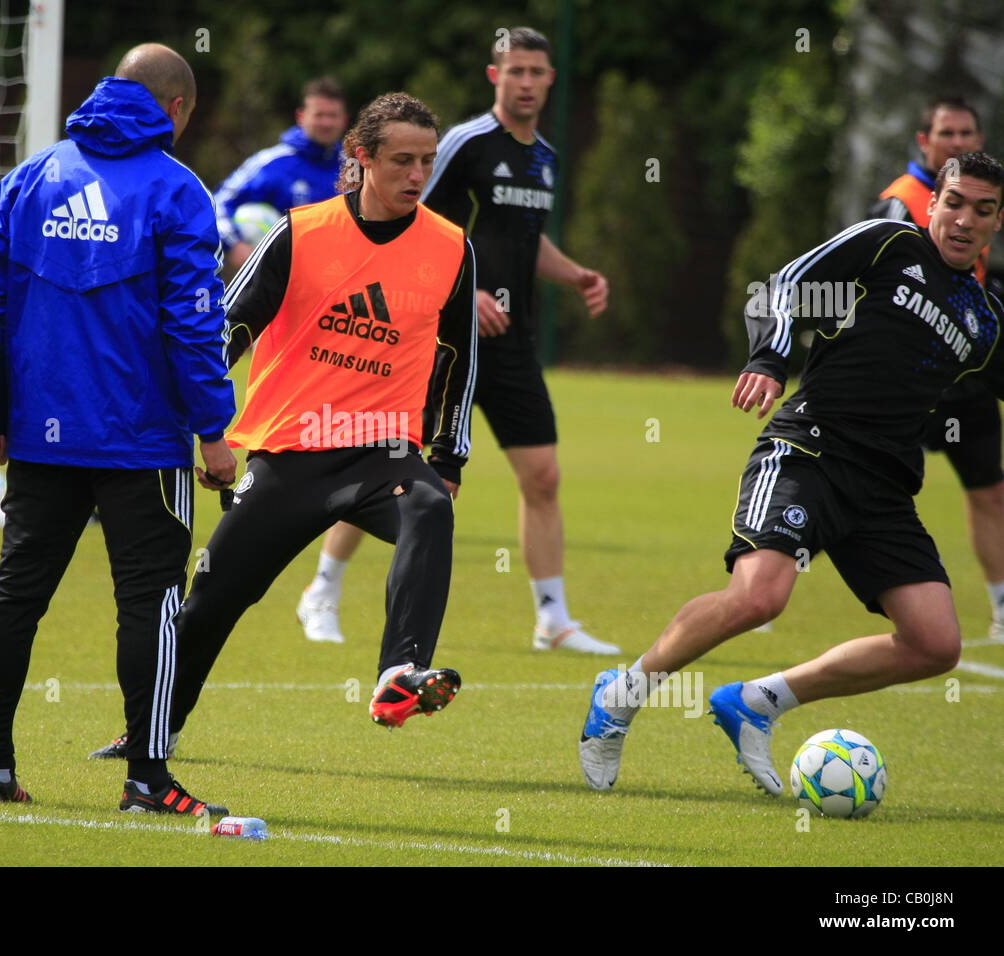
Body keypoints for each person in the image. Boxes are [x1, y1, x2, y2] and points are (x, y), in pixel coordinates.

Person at [579, 152, 1004, 795]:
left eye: (983, 209)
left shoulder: (984, 322)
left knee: (935, 642)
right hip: (810, 447)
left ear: (999, 220)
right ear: (933, 202)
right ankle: (622, 694)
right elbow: (784, 286)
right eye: (954, 202)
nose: (964, 219)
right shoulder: (888, 243)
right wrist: (772, 359)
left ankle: (758, 702)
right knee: (760, 596)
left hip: (884, 486)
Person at [91, 92, 477, 760]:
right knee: (210, 600)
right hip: (288, 452)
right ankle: (152, 734)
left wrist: (448, 458)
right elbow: (227, 331)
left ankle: (398, 673)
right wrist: (200, 423)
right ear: (361, 159)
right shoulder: (302, 231)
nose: (417, 175)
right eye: (402, 161)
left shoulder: (451, 250)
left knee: (429, 508)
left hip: (383, 452)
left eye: (426, 161)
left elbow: (461, 359)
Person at [0, 43, 237, 817]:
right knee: (151, 603)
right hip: (141, 439)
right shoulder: (177, 190)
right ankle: (147, 781)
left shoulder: (31, 176)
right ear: (176, 109)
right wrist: (214, 428)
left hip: (38, 434)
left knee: (16, 595)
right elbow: (192, 322)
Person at [294, 27, 617, 656]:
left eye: (537, 72)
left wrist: (574, 274)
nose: (527, 82)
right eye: (515, 71)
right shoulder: (464, 146)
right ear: (495, 77)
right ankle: (322, 590)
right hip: (442, 343)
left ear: (550, 80)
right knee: (392, 472)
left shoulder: (543, 156)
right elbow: (410, 224)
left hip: (513, 342)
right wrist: (466, 294)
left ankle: (553, 617)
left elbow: (528, 240)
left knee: (544, 476)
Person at [871, 96, 1004, 641]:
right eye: (946, 133)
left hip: (965, 376)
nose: (958, 141)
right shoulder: (901, 204)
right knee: (871, 485)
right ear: (924, 141)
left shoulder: (984, 199)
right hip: (911, 380)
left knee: (991, 490)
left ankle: (1001, 607)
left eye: (966, 132)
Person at [214, 76, 347, 272]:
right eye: (319, 115)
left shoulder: (354, 168)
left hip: (338, 281)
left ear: (344, 120)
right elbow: (218, 203)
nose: (326, 123)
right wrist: (234, 244)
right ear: (301, 117)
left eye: (332, 115)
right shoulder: (271, 163)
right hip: (279, 281)